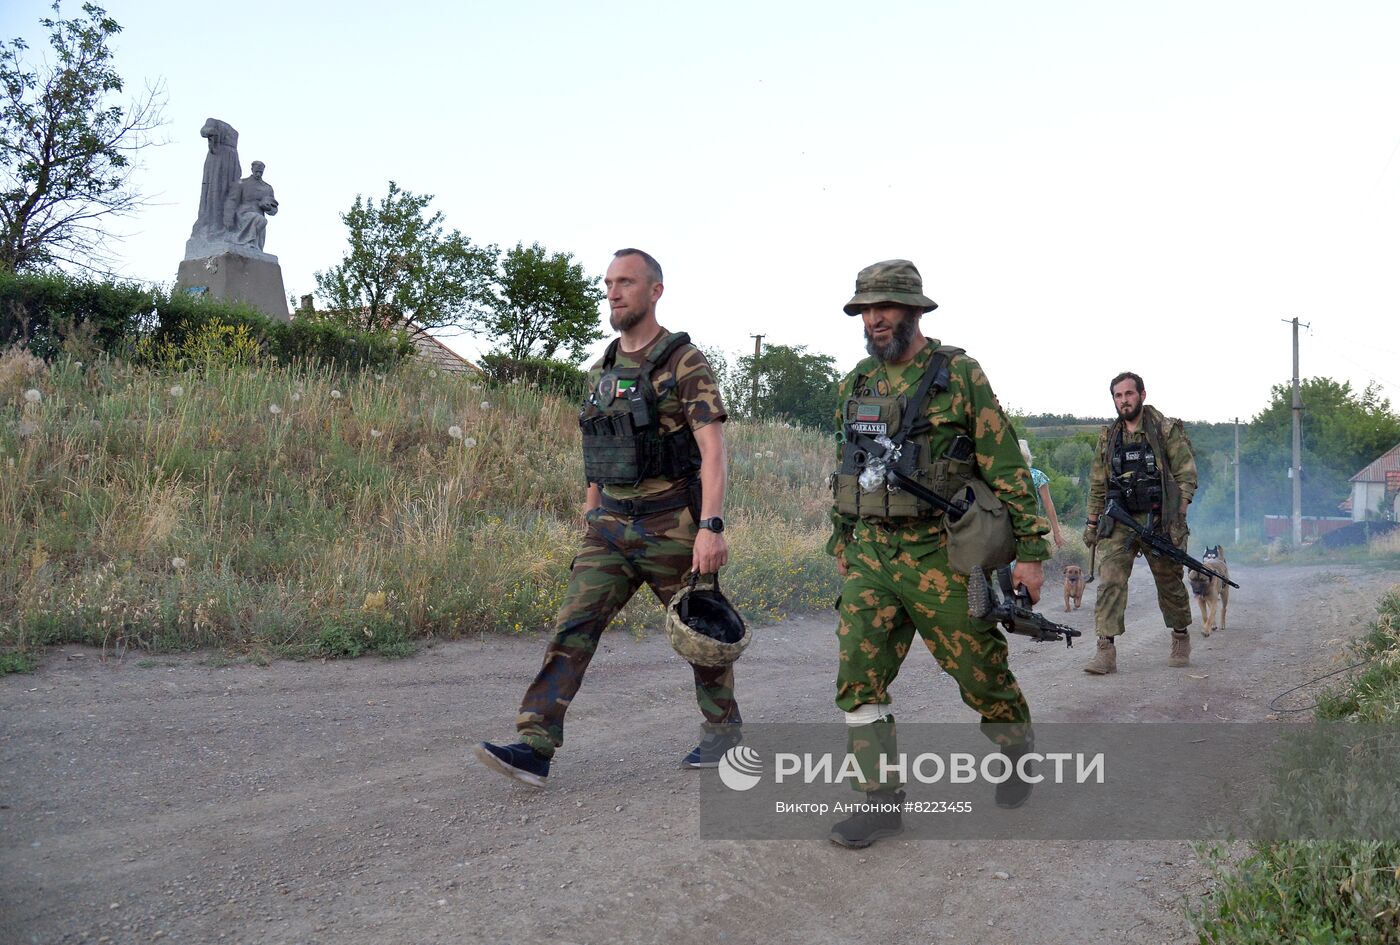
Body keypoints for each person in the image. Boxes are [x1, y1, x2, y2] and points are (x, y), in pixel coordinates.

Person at [475, 248, 741, 788]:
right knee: (573, 627)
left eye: (625, 282)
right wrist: (591, 507)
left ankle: (723, 734)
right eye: (608, 283)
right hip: (612, 526)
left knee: (700, 638)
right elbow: (598, 443)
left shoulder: (682, 362)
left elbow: (712, 449)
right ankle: (535, 745)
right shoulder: (602, 369)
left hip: (673, 524)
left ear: (655, 291)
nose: (613, 293)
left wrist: (711, 528)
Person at [825, 259, 1051, 848]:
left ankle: (1015, 747)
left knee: (979, 671)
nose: (874, 319)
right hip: (872, 553)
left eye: (886, 307)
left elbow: (1006, 466)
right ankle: (879, 800)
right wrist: (841, 540)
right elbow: (849, 469)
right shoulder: (856, 385)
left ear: (914, 310)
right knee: (858, 676)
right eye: (866, 309)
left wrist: (1030, 550)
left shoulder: (960, 375)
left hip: (941, 553)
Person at [1080, 372, 1198, 675]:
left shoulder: (1164, 430)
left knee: (1169, 581)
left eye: (1129, 394)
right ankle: (1105, 651)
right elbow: (1097, 484)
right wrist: (1092, 524)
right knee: (1110, 581)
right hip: (1120, 520)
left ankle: (1180, 636)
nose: (1124, 401)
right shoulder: (1109, 438)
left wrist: (1177, 516)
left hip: (1159, 518)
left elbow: (1186, 477)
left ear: (1142, 395)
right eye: (1118, 396)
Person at [1019, 438, 1065, 549]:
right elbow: (1048, 505)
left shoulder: (1003, 478)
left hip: (1018, 529)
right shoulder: (1037, 476)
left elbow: (1048, 505)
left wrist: (1057, 532)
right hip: (1026, 529)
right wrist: (1056, 533)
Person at [222, 161, 278, 251]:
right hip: (243, 215)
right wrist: (228, 218)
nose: (258, 174)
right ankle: (247, 243)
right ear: (252, 170)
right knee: (260, 219)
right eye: (256, 171)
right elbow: (232, 201)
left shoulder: (267, 188)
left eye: (260, 172)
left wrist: (268, 207)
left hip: (259, 218)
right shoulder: (242, 183)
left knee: (260, 221)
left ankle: (253, 247)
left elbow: (274, 209)